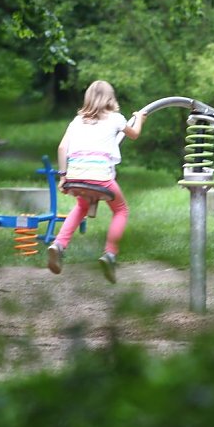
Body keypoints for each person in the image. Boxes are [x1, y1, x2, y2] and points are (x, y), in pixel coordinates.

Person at [47, 80, 147, 284]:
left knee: (81, 207)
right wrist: (140, 118)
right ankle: (110, 254)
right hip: (101, 178)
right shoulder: (116, 118)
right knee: (121, 210)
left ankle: (59, 245)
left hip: (76, 177)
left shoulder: (77, 120)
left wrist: (63, 176)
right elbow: (134, 134)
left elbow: (61, 148)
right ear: (110, 98)